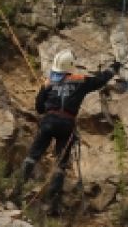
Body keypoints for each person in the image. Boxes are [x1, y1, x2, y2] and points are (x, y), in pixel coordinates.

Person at [17, 49, 120, 215]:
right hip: (67, 125)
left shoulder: (49, 82)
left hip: (49, 122)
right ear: (71, 66)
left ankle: (16, 190)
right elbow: (100, 80)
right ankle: (52, 207)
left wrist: (45, 91)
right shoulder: (81, 80)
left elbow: (39, 108)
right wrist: (114, 68)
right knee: (60, 165)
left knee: (32, 156)